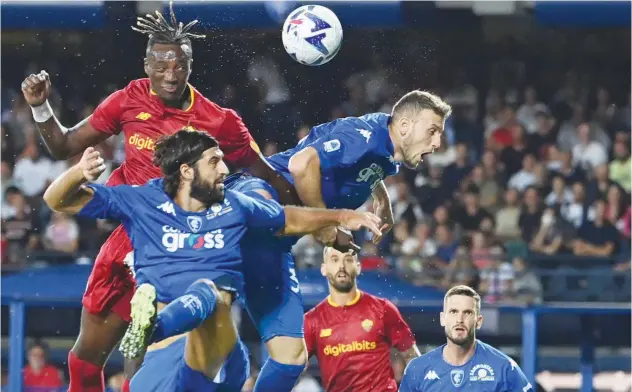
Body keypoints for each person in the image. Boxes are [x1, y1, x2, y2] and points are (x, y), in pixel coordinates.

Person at [20, 3, 297, 391]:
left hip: (182, 247)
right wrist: (40, 106)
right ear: (147, 65)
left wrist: (308, 214)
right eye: (161, 65)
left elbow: (266, 175)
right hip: (128, 235)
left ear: (190, 65)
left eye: (179, 66)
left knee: (151, 358)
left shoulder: (219, 121)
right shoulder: (129, 100)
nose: (170, 75)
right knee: (83, 359)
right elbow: (63, 144)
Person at [42, 129, 382, 392]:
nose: (224, 169)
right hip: (165, 359)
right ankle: (153, 327)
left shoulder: (235, 205)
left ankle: (153, 325)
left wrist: (341, 215)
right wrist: (78, 174)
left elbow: (288, 218)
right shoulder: (142, 201)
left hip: (221, 351)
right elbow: (57, 200)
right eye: (215, 161)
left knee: (210, 296)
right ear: (187, 171)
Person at [226, 90, 451, 391]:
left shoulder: (386, 146)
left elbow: (367, 164)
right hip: (263, 190)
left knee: (291, 358)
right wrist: (328, 225)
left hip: (275, 243)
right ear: (406, 126)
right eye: (432, 130)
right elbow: (302, 165)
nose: (437, 143)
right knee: (211, 323)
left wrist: (381, 198)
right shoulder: (367, 137)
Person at [302, 246, 420, 392]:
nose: (341, 266)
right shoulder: (311, 320)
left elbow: (412, 358)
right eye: (334, 260)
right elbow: (293, 369)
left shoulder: (383, 309)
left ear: (358, 267)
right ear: (324, 268)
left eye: (348, 259)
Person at [398, 285, 532, 392]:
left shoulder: (504, 368)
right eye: (453, 312)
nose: (459, 319)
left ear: (478, 321)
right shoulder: (417, 369)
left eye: (467, 313)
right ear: (442, 318)